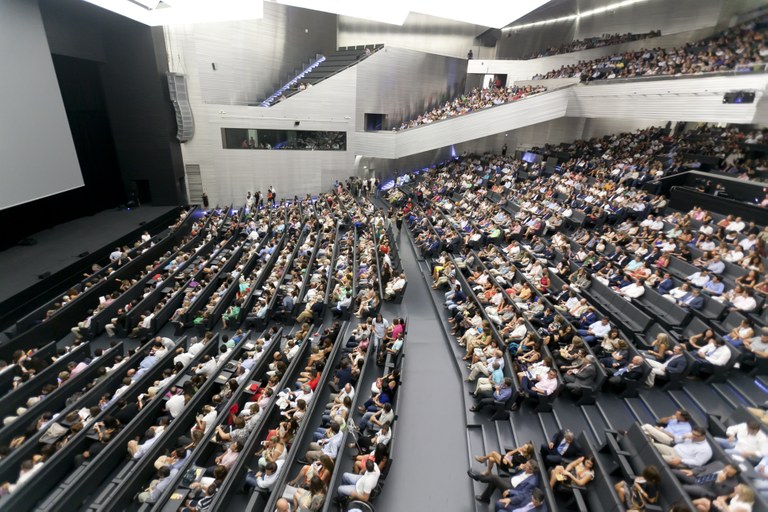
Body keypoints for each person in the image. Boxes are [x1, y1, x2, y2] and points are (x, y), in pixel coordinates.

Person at [467, 459, 540, 506]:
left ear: (531, 470)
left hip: (512, 488)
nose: (524, 465)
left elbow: (523, 493)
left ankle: (477, 477)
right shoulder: (525, 468)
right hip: (510, 479)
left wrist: (510, 491)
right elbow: (513, 471)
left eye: (526, 466)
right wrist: (518, 468)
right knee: (494, 481)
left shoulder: (532, 482)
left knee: (495, 478)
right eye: (525, 464)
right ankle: (485, 498)